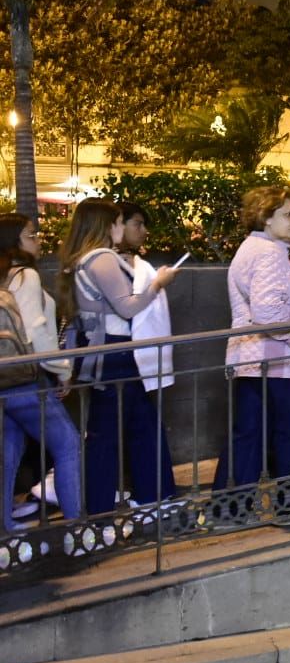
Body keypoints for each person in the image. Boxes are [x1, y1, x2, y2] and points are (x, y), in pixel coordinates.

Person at [214, 186, 290, 524]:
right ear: (267, 218)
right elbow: (267, 313)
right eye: (288, 215)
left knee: (249, 432)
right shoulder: (268, 253)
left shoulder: (253, 247)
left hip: (252, 357)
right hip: (274, 358)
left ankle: (228, 509)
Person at [59, 198, 179, 519]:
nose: (119, 227)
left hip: (102, 352)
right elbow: (127, 306)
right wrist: (158, 284)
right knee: (111, 432)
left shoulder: (82, 259)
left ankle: (146, 498)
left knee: (127, 426)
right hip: (115, 351)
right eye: (116, 222)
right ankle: (104, 511)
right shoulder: (102, 258)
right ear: (104, 225)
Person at [1, 215, 82, 537]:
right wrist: (62, 370)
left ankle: (5, 527)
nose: (38, 239)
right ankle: (79, 528)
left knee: (8, 451)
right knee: (68, 446)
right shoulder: (26, 277)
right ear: (13, 241)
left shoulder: (4, 277)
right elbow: (37, 331)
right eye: (30, 235)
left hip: (4, 379)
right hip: (26, 378)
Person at [116, 201, 177, 417]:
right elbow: (127, 307)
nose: (144, 231)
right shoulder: (106, 263)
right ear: (117, 224)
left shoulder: (139, 264)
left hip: (138, 354)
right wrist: (158, 283)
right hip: (121, 354)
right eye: (138, 224)